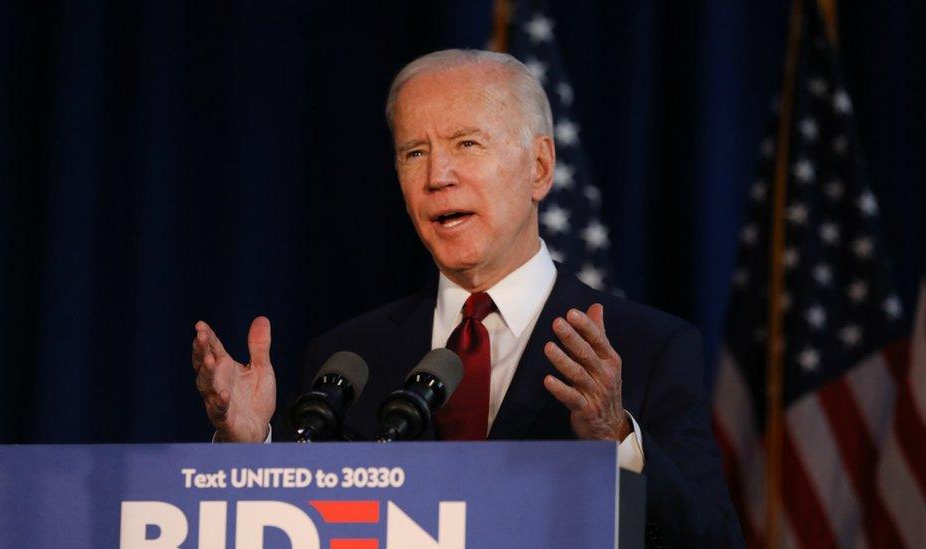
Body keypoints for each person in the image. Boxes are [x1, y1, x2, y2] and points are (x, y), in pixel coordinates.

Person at [191, 49, 743, 546]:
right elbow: (295, 528)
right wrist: (250, 450)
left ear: (540, 167)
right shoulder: (345, 360)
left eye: (466, 143)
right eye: (414, 152)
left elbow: (710, 541)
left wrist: (614, 441)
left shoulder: (646, 348)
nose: (437, 176)